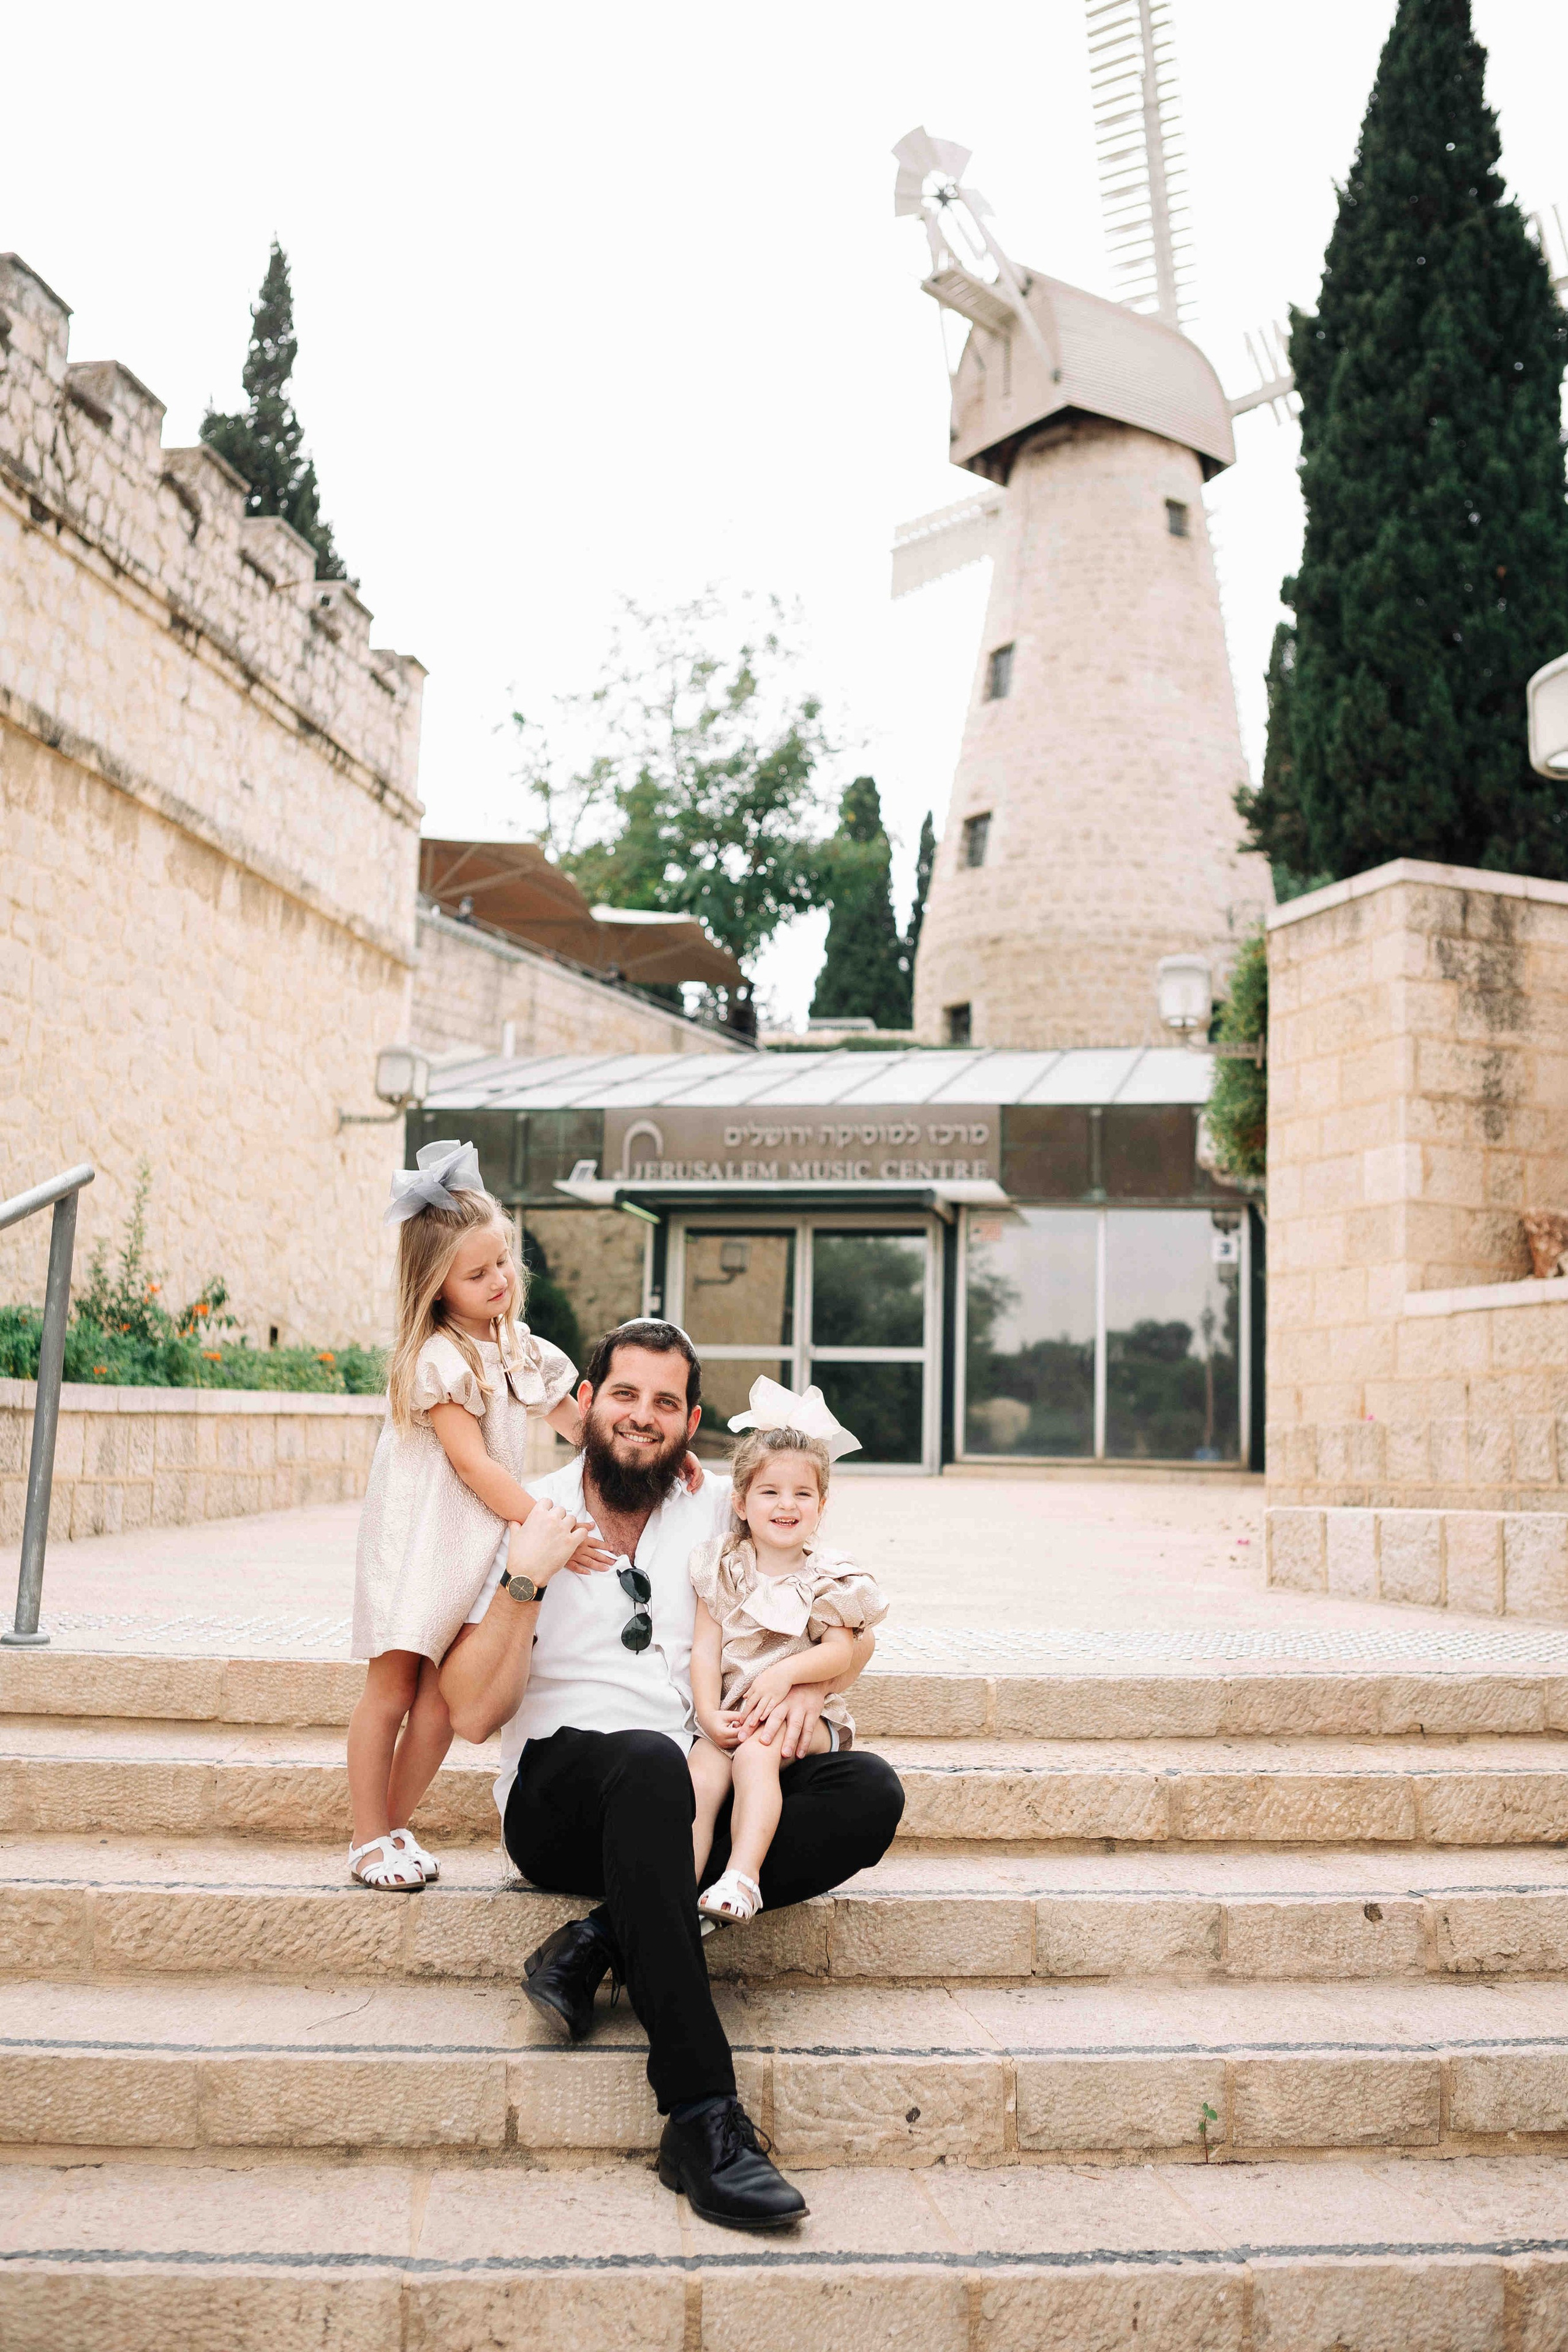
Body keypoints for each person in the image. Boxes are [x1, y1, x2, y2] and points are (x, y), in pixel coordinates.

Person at [439, 1319, 906, 2232]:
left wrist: (803, 1680)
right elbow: (467, 1715)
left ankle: (600, 1941)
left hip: (693, 1790)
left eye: (665, 1403)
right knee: (655, 1764)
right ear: (586, 1405)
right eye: (623, 1395)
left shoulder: (720, 1509)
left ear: (692, 1424)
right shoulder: (523, 1510)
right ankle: (699, 2115)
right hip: (562, 1797)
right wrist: (523, 1583)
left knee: (869, 1791)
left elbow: (854, 1628)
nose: (641, 1418)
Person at [345, 1139, 604, 1891]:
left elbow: (575, 1420)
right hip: (421, 1540)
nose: (498, 1281)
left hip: (477, 1540)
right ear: (435, 1284)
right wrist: (543, 1528)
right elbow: (472, 1463)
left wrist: (648, 1457)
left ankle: (394, 1827)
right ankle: (365, 1836)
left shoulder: (517, 1348)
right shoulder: (439, 1358)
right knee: (393, 1687)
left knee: (438, 1697)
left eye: (502, 1264)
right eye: (477, 1272)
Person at [688, 1388, 888, 1927]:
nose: (786, 1505)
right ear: (740, 1502)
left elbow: (839, 1652)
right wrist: (708, 1713)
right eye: (770, 1491)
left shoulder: (829, 1576)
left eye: (803, 1493)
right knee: (700, 1776)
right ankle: (676, 1889)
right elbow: (706, 1651)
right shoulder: (723, 1567)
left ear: (822, 1505)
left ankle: (743, 1878)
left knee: (755, 1756)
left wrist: (784, 1675)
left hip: (805, 1719)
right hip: (730, 1710)